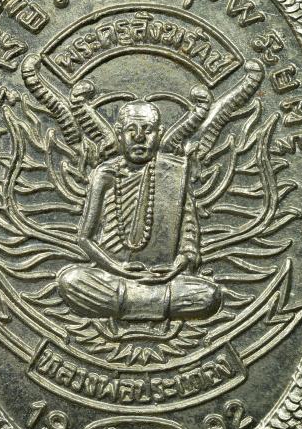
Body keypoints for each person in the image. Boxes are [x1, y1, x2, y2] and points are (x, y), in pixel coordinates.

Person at [57, 100, 221, 322]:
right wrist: (119, 269)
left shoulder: (173, 172)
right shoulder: (105, 174)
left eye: (148, 130)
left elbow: (189, 237)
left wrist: (176, 267)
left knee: (209, 295)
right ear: (119, 133)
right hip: (111, 275)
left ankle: (131, 302)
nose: (139, 137)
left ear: (159, 133)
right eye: (130, 130)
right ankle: (152, 302)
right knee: (71, 281)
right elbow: (84, 238)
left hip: (163, 278)